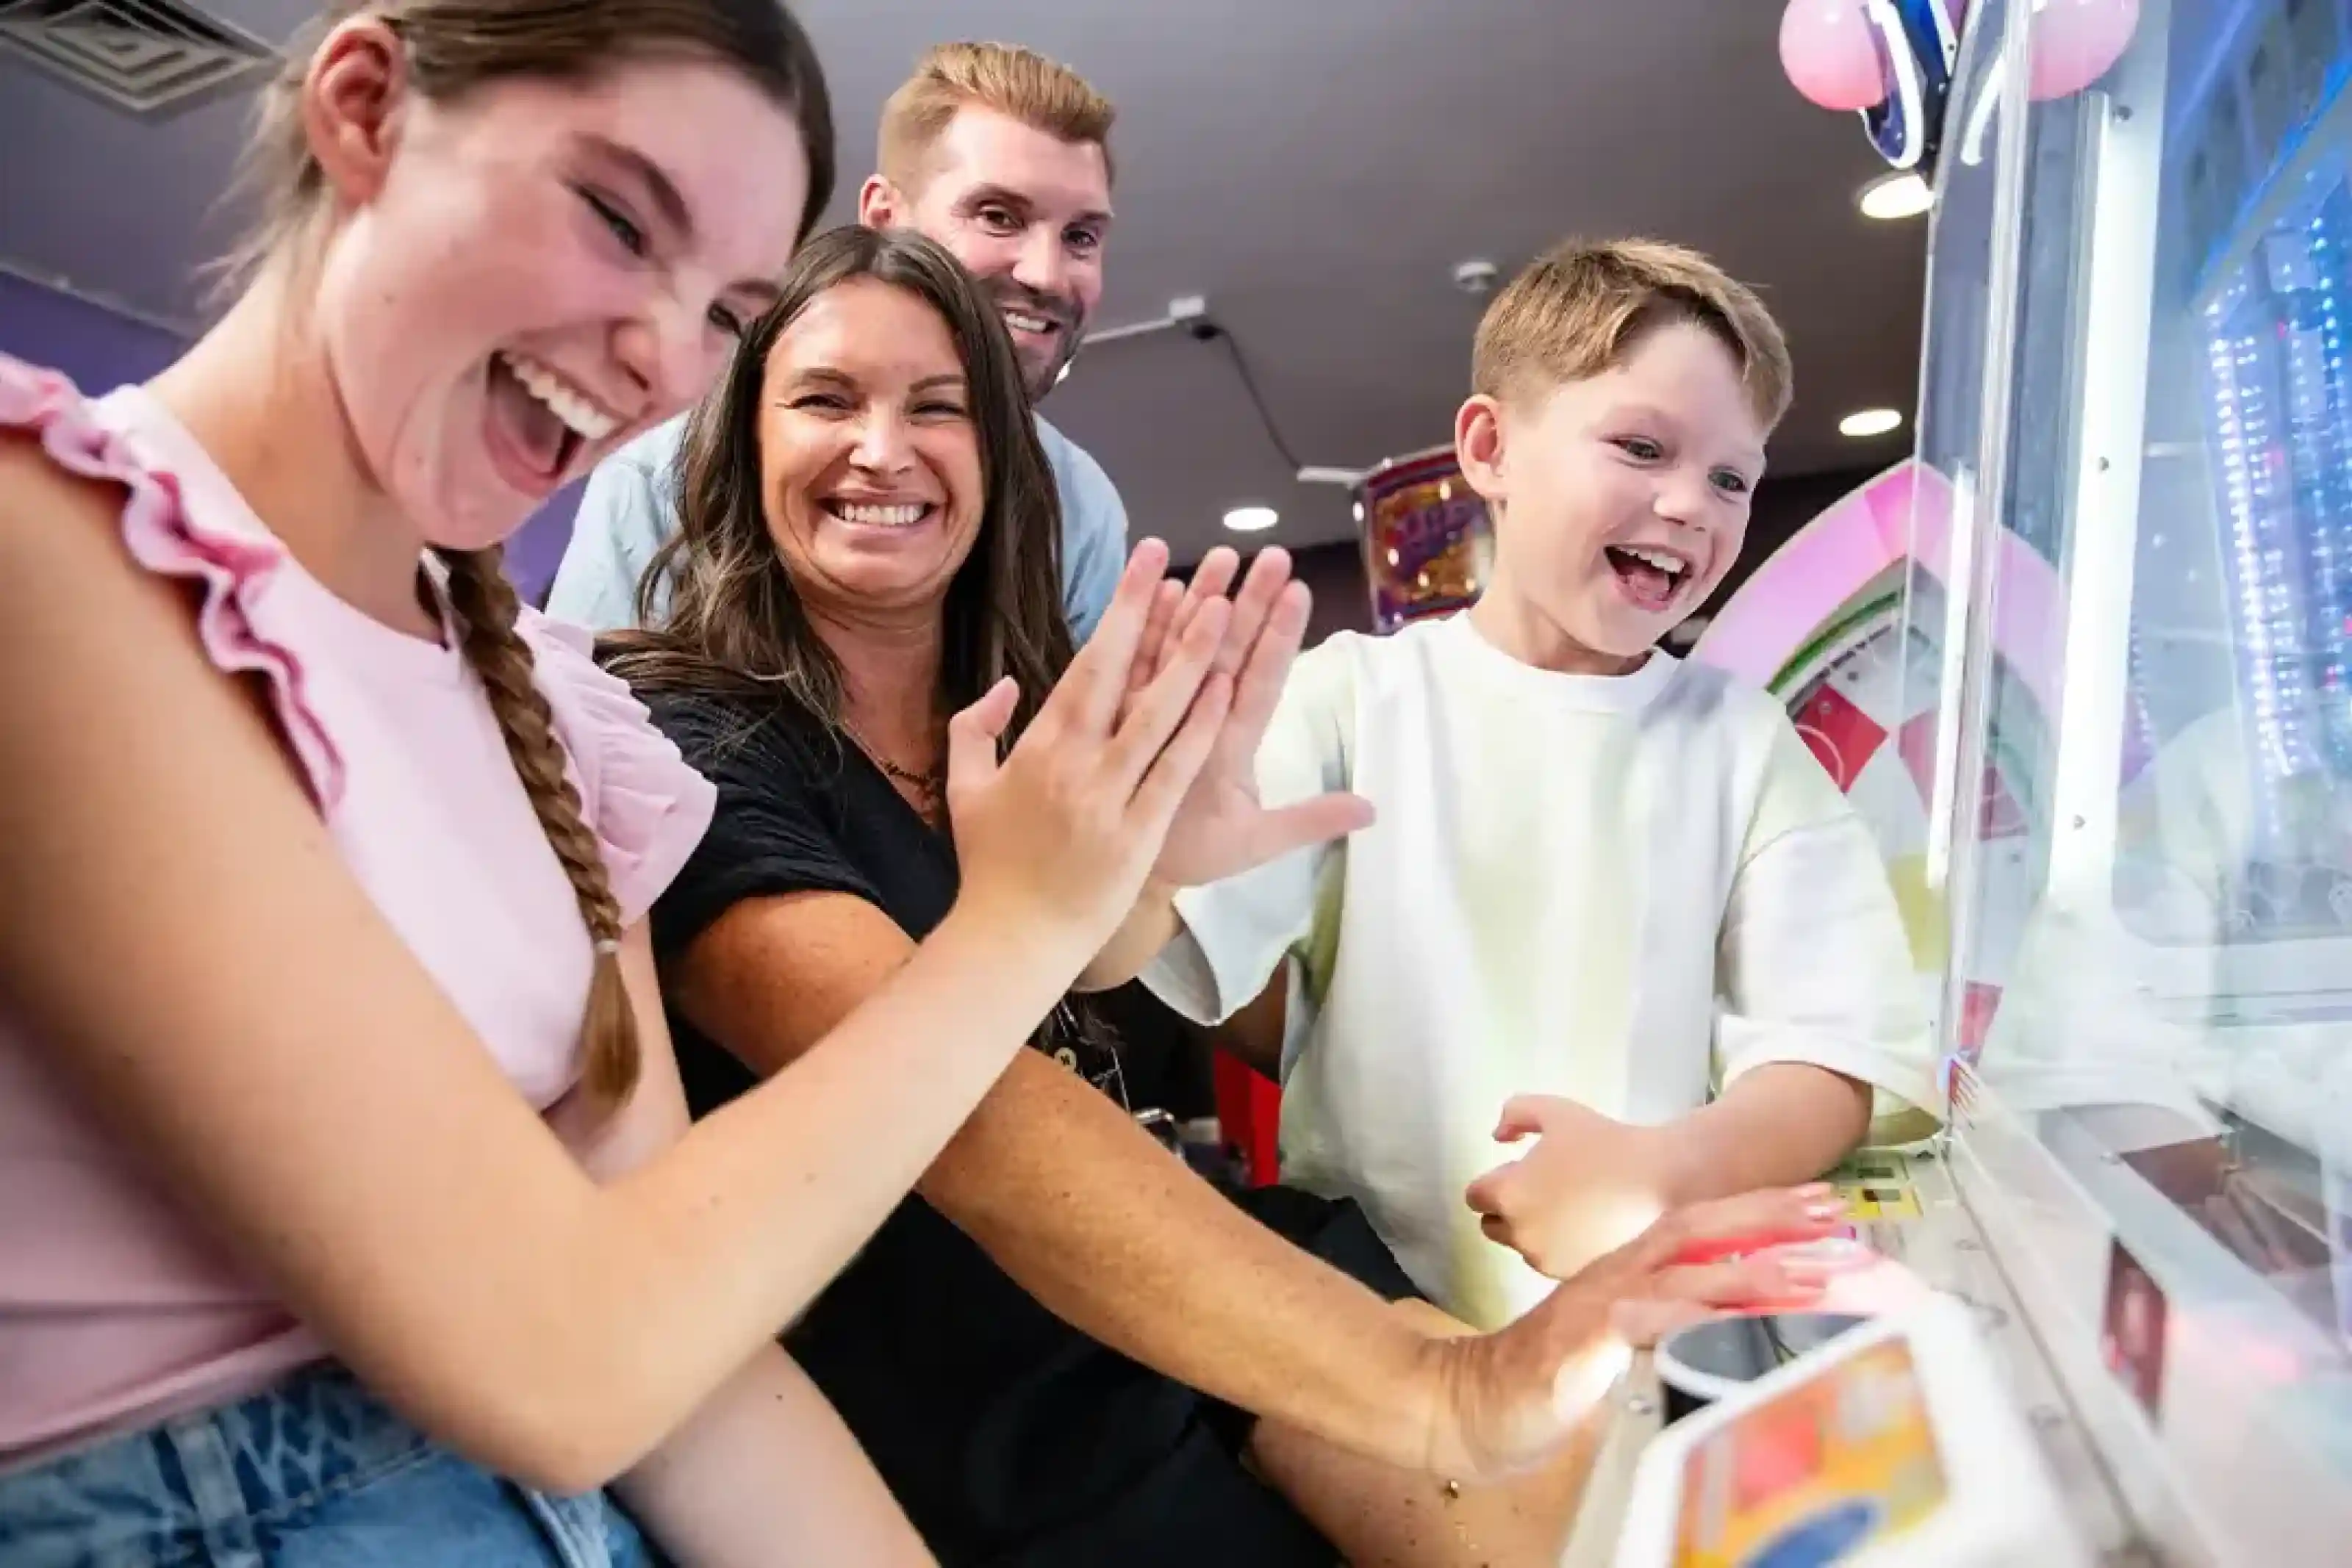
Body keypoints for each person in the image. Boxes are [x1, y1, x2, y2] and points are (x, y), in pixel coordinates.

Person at [0, 4, 1276, 1561]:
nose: (660, 363)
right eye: (616, 219)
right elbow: (574, 1358)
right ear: (364, 108)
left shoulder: (548, 709)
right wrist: (1023, 923)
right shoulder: (40, 550)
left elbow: (697, 1381)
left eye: (725, 312)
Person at [603, 222, 1854, 1568]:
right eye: (827, 399)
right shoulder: (682, 737)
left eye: (942, 406)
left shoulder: (1044, 734)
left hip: (1208, 1300)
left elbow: (1192, 1017)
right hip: (967, 1391)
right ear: (740, 444)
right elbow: (959, 1116)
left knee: (1617, 1516)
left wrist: (1167, 902)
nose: (884, 448)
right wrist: (1433, 1388)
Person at [1085, 237, 1943, 1333]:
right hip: (1371, 1317)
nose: (1692, 504)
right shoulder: (1352, 698)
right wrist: (1136, 862)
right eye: (1642, 446)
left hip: (1647, 1318)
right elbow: (1159, 955)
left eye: (1732, 476)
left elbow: (1831, 1053)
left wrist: (1661, 1169)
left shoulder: (1739, 741)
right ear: (1490, 447)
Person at [549, 40, 1127, 641]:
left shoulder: (1079, 505)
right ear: (885, 218)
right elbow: (571, 727)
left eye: (1081, 236)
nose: (1046, 274)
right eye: (998, 216)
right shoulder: (665, 472)